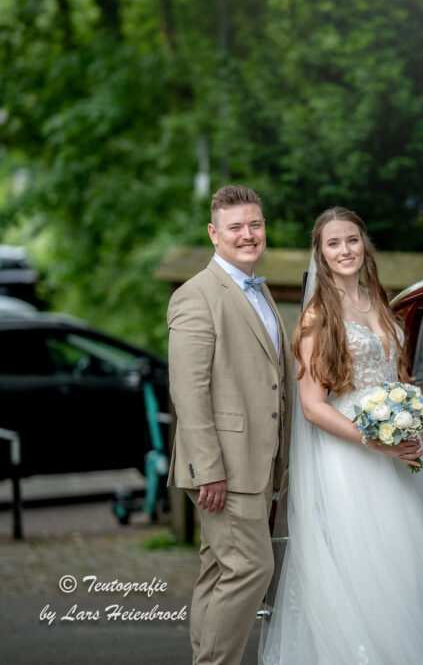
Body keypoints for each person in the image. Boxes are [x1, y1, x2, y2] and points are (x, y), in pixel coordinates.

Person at [259, 207, 423, 664]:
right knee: (363, 562)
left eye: (352, 240)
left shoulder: (379, 301)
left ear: (365, 245)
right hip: (352, 456)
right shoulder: (318, 316)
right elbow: (312, 405)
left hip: (395, 452)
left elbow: (396, 377)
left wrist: (408, 417)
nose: (345, 250)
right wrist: (373, 439)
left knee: (410, 557)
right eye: (334, 243)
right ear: (320, 253)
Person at [167, 185, 292, 665]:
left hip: (257, 464)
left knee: (219, 571)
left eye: (255, 224)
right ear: (213, 233)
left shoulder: (256, 291)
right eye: (236, 227)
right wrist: (208, 470)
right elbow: (189, 392)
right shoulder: (196, 296)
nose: (248, 235)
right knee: (250, 569)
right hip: (225, 468)